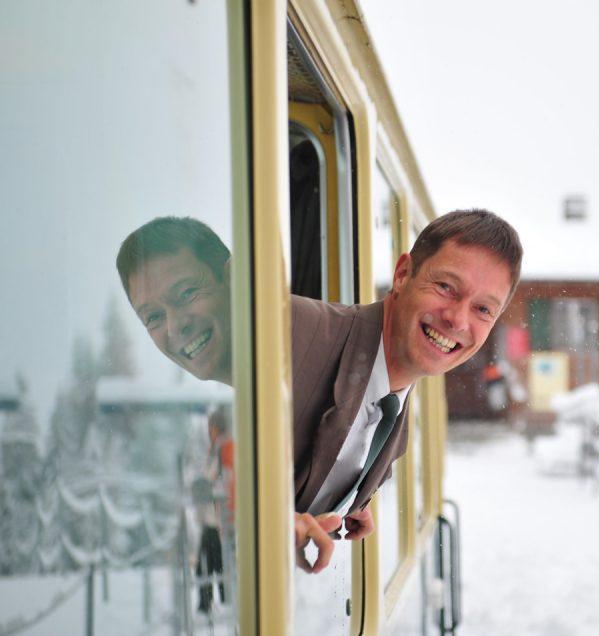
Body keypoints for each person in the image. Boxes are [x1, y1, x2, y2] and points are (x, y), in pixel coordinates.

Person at [116, 210, 523, 573]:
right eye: (446, 287)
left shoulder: (398, 390)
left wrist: (344, 503)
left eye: (483, 309)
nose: (457, 319)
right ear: (402, 275)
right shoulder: (285, 330)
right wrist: (268, 523)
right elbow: (202, 483)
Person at [194, 406, 233, 614]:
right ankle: (215, 602)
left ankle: (211, 604)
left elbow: (225, 479)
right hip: (215, 519)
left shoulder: (224, 447)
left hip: (218, 519)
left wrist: (205, 487)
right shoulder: (217, 448)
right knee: (215, 563)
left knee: (210, 564)